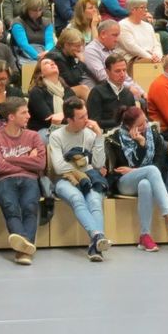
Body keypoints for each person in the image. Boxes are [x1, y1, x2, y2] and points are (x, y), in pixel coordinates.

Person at [105, 106, 168, 251]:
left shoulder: (153, 135)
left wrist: (142, 145)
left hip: (147, 178)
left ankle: (145, 236)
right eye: (141, 124)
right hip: (124, 182)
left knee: (145, 184)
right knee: (151, 170)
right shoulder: (115, 139)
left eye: (145, 121)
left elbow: (160, 164)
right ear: (129, 127)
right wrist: (140, 147)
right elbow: (116, 171)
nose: (146, 125)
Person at [48, 98, 115, 261]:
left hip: (89, 177)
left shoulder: (90, 134)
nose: (87, 120)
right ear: (69, 119)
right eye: (81, 117)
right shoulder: (56, 136)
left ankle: (96, 244)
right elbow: (59, 167)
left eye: (86, 115)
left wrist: (99, 136)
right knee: (77, 198)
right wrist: (82, 168)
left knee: (94, 201)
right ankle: (98, 237)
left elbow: (98, 164)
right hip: (64, 179)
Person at [0, 98, 48, 265]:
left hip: (29, 179)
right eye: (24, 112)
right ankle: (25, 250)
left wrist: (9, 159)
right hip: (4, 179)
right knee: (10, 208)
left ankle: (23, 249)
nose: (29, 115)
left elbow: (40, 164)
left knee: (30, 207)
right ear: (11, 117)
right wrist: (27, 160)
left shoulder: (33, 136)